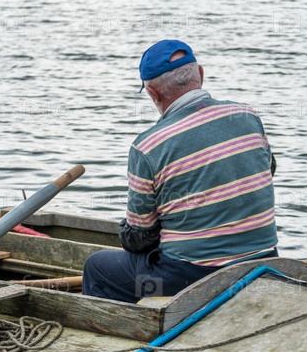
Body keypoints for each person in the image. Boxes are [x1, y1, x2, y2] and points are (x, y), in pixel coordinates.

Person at [82, 39, 278, 303]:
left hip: (193, 275)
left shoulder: (147, 146)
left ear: (153, 93)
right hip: (264, 259)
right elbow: (268, 170)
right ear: (201, 74)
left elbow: (139, 237)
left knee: (97, 267)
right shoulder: (248, 115)